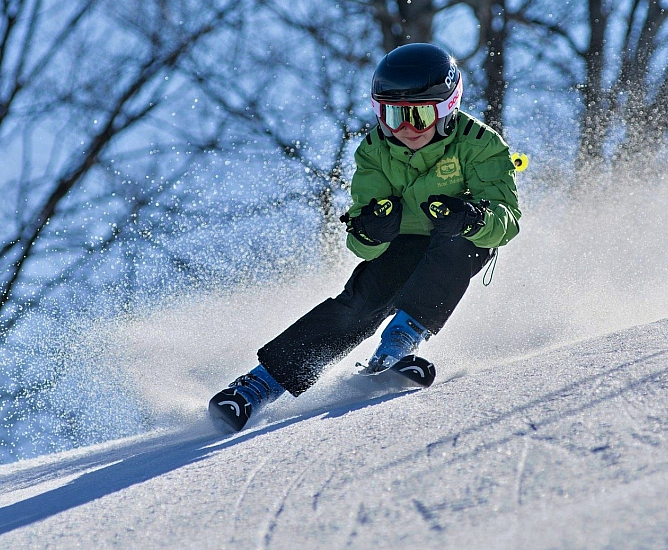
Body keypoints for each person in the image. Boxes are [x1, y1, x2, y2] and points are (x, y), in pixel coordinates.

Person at [209, 43, 521, 433]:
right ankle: (259, 386)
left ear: (446, 110)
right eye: (391, 115)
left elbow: (506, 221)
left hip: (457, 239)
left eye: (419, 115)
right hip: (402, 244)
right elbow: (360, 243)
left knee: (460, 245)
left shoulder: (480, 143)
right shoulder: (374, 150)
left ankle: (397, 345)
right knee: (360, 302)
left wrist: (473, 218)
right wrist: (371, 230)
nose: (404, 129)